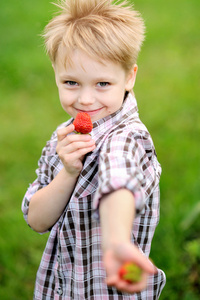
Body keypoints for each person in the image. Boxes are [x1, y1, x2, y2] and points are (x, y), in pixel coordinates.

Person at [22, 0, 166, 298]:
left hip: (109, 288)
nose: (86, 100)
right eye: (71, 82)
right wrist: (68, 172)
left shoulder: (126, 137)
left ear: (129, 77)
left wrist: (117, 243)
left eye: (102, 83)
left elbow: (118, 182)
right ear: (55, 74)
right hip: (64, 288)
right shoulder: (63, 138)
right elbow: (37, 219)